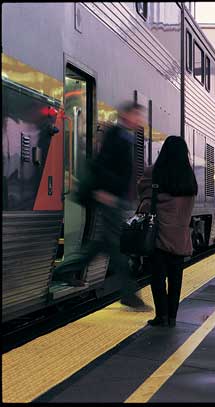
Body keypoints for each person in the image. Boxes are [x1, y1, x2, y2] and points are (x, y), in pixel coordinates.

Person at [53, 101, 148, 309]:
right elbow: (102, 165)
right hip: (110, 198)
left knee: (104, 244)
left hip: (116, 199)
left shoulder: (124, 136)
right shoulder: (116, 135)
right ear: (126, 115)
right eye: (137, 115)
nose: (140, 120)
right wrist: (105, 192)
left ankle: (65, 270)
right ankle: (129, 294)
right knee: (114, 246)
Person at [139, 136, 197, 328]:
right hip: (180, 236)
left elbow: (144, 194)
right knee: (176, 278)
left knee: (157, 277)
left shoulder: (155, 172)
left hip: (160, 235)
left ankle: (161, 316)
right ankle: (172, 317)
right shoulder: (189, 176)